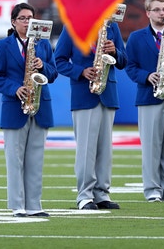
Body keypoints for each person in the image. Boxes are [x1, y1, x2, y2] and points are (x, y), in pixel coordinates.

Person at [54, 12, 127, 210]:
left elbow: (123, 60)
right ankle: (84, 196)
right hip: (84, 94)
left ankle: (102, 194)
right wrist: (80, 71)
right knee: (86, 149)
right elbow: (58, 60)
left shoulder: (111, 26)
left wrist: (115, 53)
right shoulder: (72, 26)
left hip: (108, 93)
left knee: (105, 149)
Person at [0, 3, 57, 217]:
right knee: (15, 160)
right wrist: (14, 88)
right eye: (23, 18)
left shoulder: (44, 45)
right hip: (14, 107)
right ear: (13, 22)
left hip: (40, 106)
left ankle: (34, 205)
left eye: (30, 18)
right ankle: (18, 205)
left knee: (35, 160)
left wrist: (43, 66)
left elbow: (53, 73)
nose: (27, 22)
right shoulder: (3, 45)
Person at [125, 0, 164, 202]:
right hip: (149, 96)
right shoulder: (136, 37)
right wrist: (147, 76)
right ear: (147, 13)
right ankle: (153, 190)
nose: (162, 13)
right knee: (150, 146)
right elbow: (130, 67)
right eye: (157, 10)